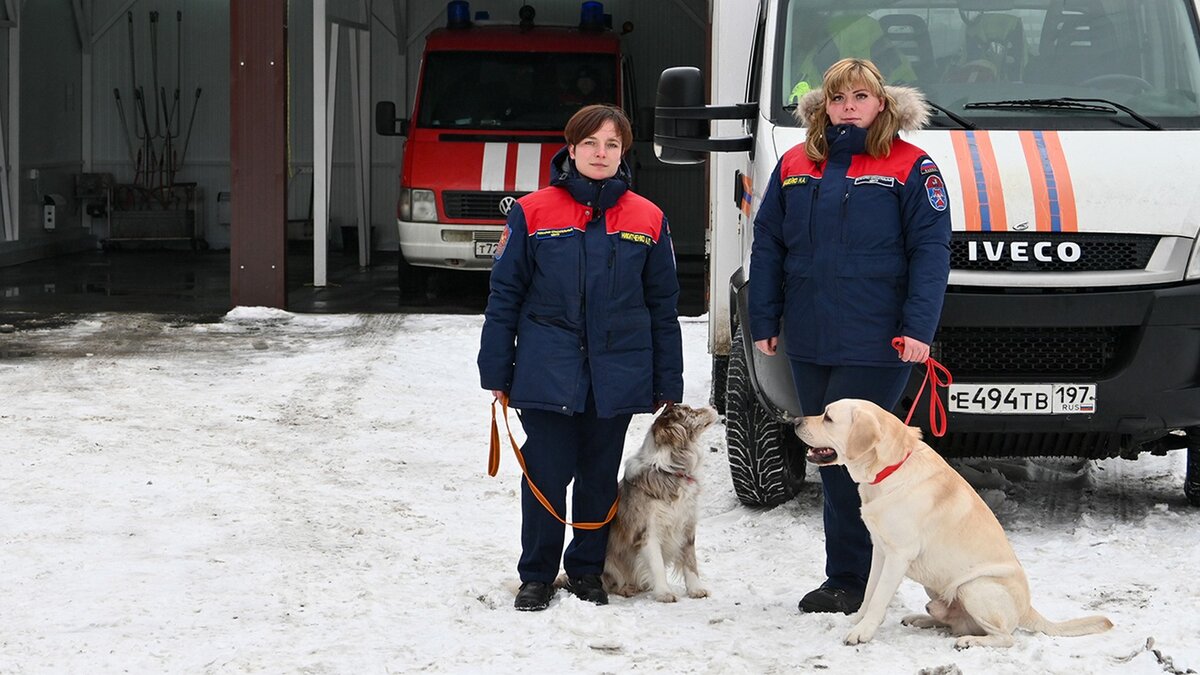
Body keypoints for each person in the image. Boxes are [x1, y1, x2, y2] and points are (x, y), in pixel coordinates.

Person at [748, 58, 951, 614]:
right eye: (839, 98)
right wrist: (763, 318)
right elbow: (768, 245)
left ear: (881, 104)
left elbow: (930, 254)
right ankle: (848, 576)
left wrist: (917, 329)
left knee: (861, 461)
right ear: (825, 106)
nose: (849, 107)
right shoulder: (794, 164)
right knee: (830, 455)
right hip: (810, 338)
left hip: (877, 342)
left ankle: (862, 576)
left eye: (861, 97)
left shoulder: (912, 167)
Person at [478, 104, 684, 612]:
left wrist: (668, 378)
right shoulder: (532, 212)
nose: (600, 153)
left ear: (623, 153)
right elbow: (504, 297)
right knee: (546, 474)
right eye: (590, 143)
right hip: (548, 372)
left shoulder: (647, 217)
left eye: (611, 145)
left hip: (617, 374)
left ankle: (588, 570)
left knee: (598, 476)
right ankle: (537, 574)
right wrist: (496, 369)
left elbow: (663, 306)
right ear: (570, 150)